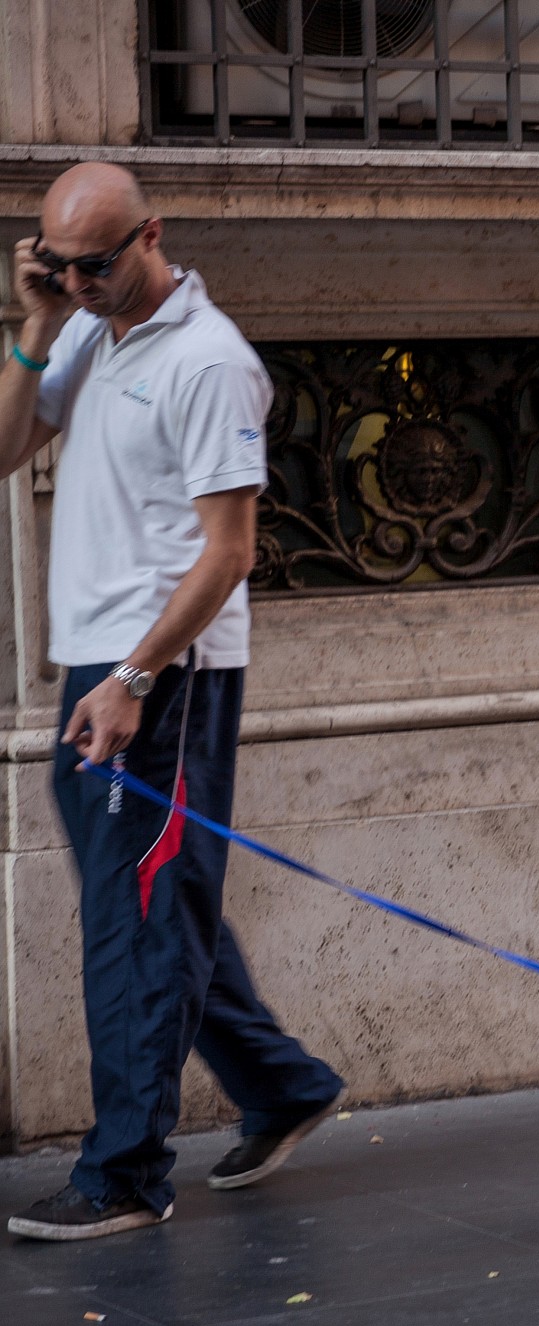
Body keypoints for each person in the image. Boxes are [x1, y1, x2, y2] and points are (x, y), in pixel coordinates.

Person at [2, 162, 344, 1242]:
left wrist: (137, 679)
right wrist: (34, 326)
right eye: (61, 263)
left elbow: (230, 551)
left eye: (96, 263)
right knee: (157, 900)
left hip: (163, 676)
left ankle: (125, 1173)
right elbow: (3, 447)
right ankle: (282, 1085)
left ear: (152, 236)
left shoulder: (208, 361)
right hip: (97, 667)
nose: (81, 279)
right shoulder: (90, 334)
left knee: (137, 922)